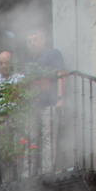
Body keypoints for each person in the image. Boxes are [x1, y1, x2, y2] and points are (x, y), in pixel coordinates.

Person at [25, 28, 65, 173]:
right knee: (31, 139)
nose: (32, 43)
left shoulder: (53, 54)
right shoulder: (29, 64)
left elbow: (61, 74)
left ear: (43, 40)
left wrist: (60, 98)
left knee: (48, 136)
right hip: (33, 105)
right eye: (29, 41)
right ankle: (29, 172)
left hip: (50, 101)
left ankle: (47, 171)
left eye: (35, 39)